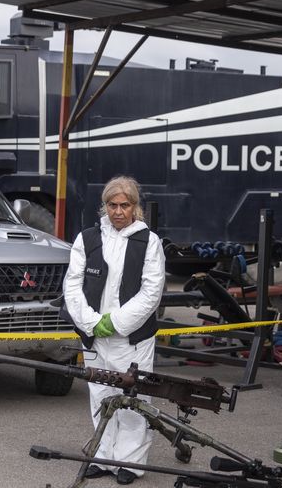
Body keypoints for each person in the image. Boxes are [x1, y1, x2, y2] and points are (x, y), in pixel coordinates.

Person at [61, 175, 166, 485]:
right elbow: (72, 284)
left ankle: (130, 464)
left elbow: (151, 293)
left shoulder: (149, 242)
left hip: (131, 339)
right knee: (101, 396)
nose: (118, 211)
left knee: (133, 399)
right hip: (93, 335)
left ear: (135, 207)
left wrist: (116, 323)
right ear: (104, 206)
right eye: (112, 205)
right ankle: (104, 457)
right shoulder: (87, 238)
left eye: (125, 205)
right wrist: (90, 322)